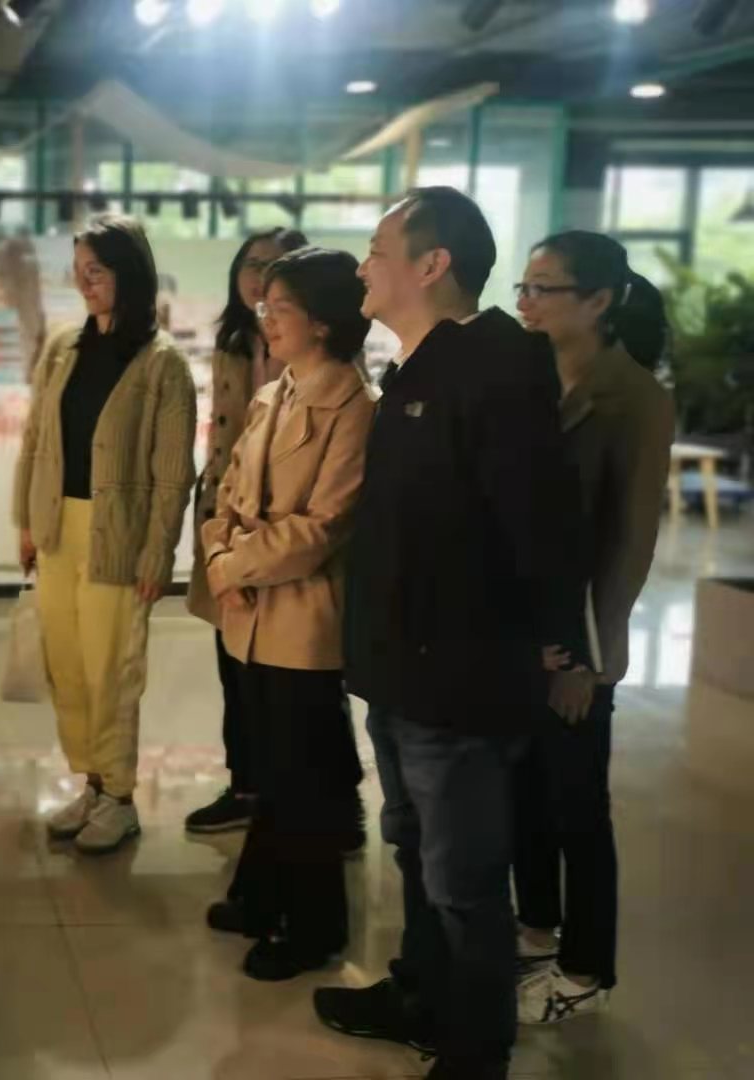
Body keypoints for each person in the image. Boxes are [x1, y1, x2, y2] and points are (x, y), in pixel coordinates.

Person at [313, 188, 588, 1079]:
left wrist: (555, 645)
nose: (363, 265)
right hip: (401, 668)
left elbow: (538, 527)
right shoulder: (419, 367)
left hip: (459, 676)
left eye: (377, 248)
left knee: (464, 878)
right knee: (411, 847)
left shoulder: (495, 368)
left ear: (432, 265)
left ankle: (475, 1049)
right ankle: (420, 995)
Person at [511, 232, 675, 1023]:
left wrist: (586, 659)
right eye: (523, 285)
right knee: (522, 791)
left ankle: (584, 967)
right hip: (517, 631)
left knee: (576, 802)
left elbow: (628, 545)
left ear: (599, 301)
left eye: (542, 288)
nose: (525, 302)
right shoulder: (527, 377)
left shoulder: (634, 398)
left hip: (578, 636)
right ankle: (534, 927)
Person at [202, 247, 375, 981]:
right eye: (264, 307)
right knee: (271, 766)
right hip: (249, 608)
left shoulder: (356, 408)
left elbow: (323, 527)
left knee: (304, 779)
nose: (266, 321)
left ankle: (314, 928)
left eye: (281, 309)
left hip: (303, 617)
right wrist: (220, 556)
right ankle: (262, 895)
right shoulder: (275, 393)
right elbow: (227, 493)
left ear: (324, 322)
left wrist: (231, 566)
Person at [13, 214, 196, 855]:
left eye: (97, 271)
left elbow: (173, 475)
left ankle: (119, 796)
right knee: (66, 666)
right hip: (57, 527)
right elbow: (35, 439)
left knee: (111, 668)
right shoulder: (64, 346)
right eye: (78, 271)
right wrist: (26, 521)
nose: (83, 283)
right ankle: (91, 782)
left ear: (130, 273)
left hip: (118, 537)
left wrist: (159, 553)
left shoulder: (163, 363)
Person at [185, 226, 307, 835]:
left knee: (292, 674)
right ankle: (246, 785)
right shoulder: (231, 342)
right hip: (224, 517)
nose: (260, 276)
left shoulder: (312, 347)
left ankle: (314, 801)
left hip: (281, 528)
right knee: (233, 664)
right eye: (252, 263)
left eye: (275, 265)